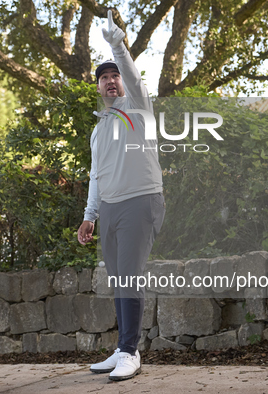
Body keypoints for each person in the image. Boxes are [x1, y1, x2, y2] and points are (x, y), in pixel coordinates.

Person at [77, 11, 165, 381]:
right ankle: (123, 347)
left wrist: (117, 45)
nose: (111, 81)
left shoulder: (138, 108)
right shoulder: (98, 131)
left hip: (140, 200)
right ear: (97, 87)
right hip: (110, 208)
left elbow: (133, 75)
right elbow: (97, 174)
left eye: (115, 76)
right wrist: (90, 214)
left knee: (129, 274)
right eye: (104, 77)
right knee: (118, 278)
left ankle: (130, 351)